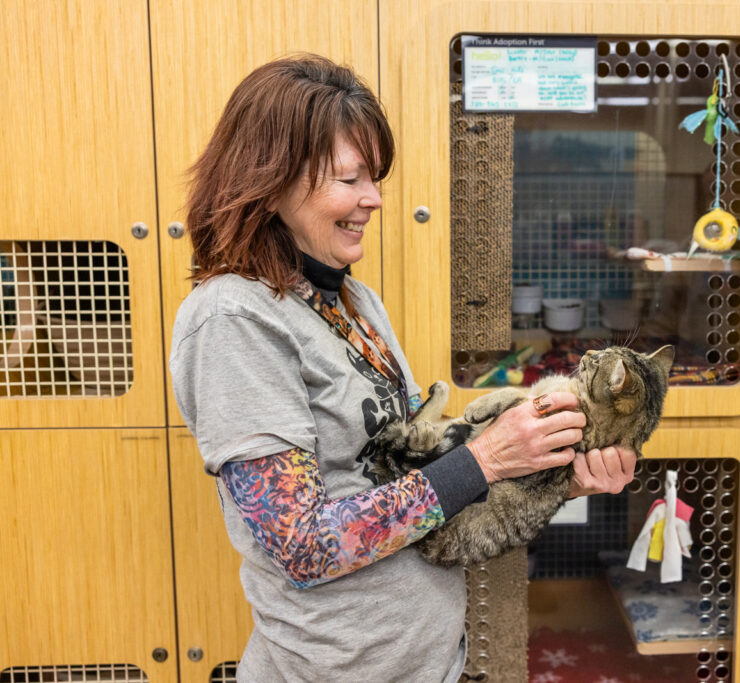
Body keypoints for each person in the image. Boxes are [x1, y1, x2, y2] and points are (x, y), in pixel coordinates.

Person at [169, 53, 637, 682]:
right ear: (269, 180)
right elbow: (303, 548)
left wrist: (559, 474)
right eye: (349, 179)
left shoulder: (356, 301)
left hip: (426, 664)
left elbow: (427, 476)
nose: (375, 199)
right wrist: (489, 457)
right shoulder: (233, 319)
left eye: (375, 177)